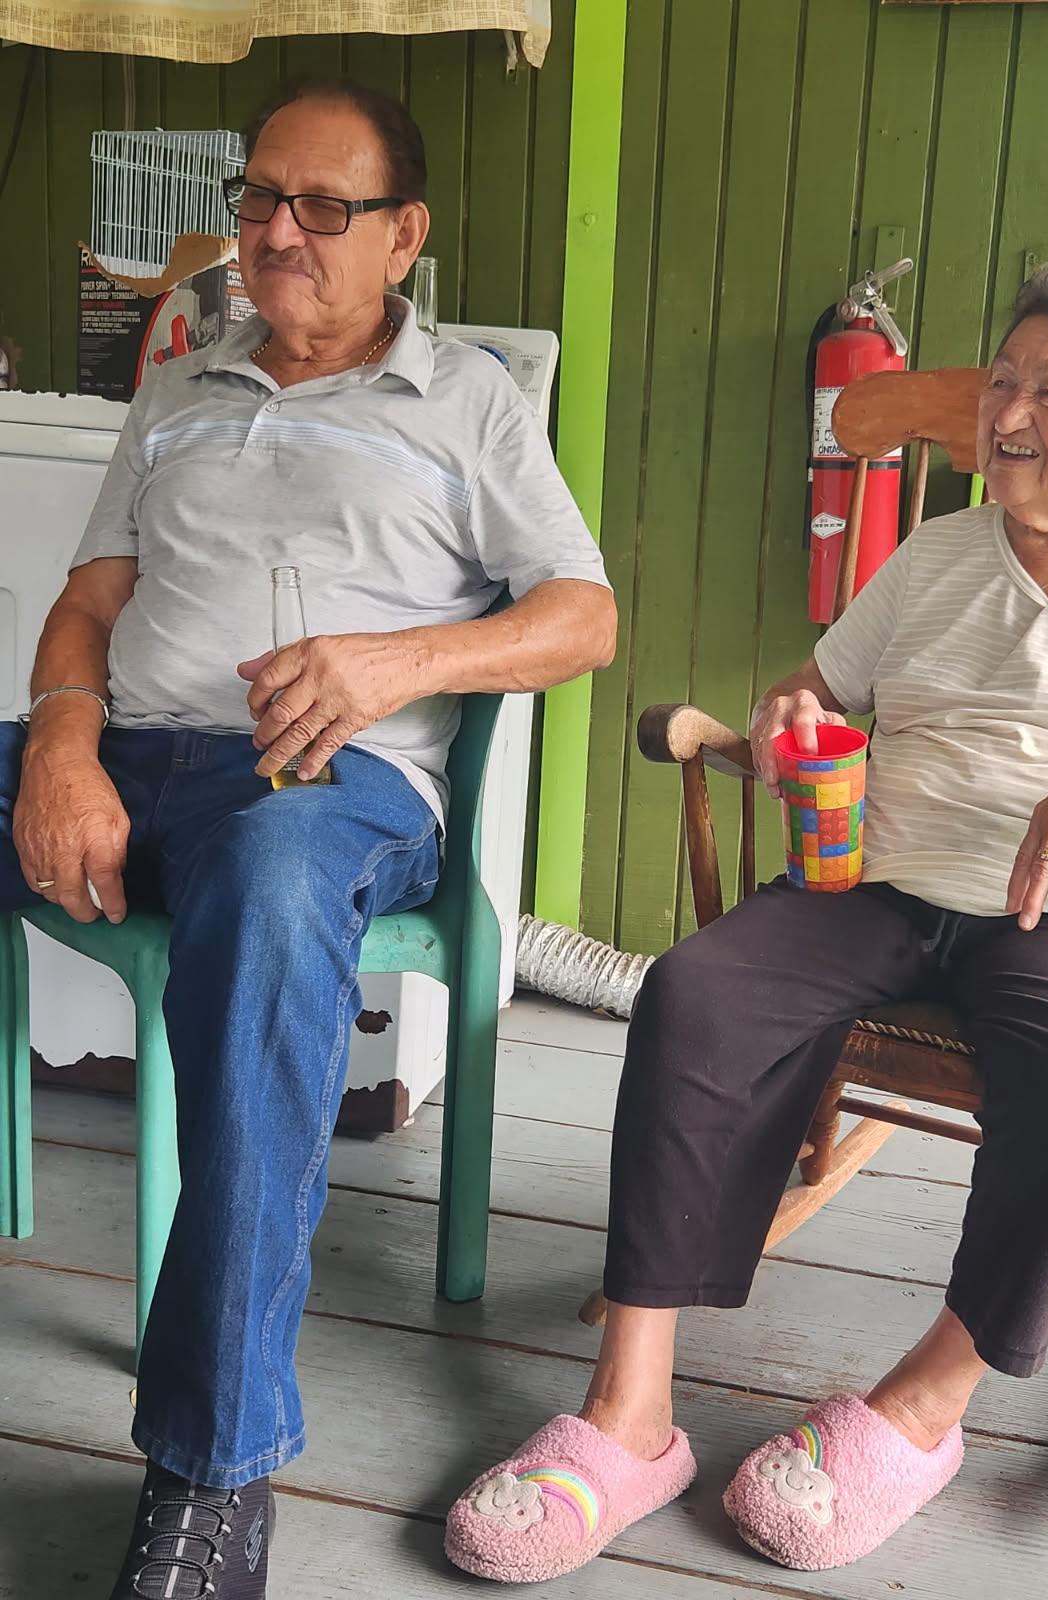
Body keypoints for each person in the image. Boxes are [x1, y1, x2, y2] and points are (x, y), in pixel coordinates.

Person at [446, 252, 1048, 1581]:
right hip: (885, 878)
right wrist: (798, 720)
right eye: (1000, 384)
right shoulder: (938, 553)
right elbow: (814, 694)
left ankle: (921, 1409)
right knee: (696, 994)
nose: (1006, 418)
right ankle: (630, 1416)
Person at [0, 79, 615, 1599]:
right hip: (132, 754)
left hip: (323, 789)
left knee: (274, 899)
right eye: (260, 198)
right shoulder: (182, 388)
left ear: (404, 236)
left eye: (323, 206)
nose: (277, 232)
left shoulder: (471, 400)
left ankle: (214, 1470)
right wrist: (65, 750)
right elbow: (87, 606)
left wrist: (396, 663)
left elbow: (583, 618)